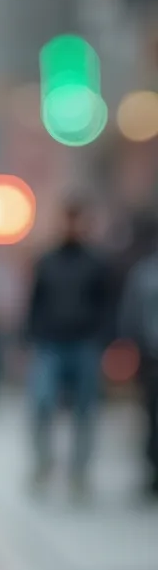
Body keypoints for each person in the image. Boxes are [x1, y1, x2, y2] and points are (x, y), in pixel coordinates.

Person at [24, 201, 113, 496]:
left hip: (85, 344)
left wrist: (103, 337)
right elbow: (34, 303)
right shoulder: (46, 261)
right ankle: (43, 463)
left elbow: (107, 305)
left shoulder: (96, 263)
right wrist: (31, 337)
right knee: (42, 404)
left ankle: (79, 472)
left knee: (84, 411)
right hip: (51, 343)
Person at [117, 213, 158, 498]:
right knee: (152, 416)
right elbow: (131, 315)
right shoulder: (144, 273)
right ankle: (153, 470)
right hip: (151, 356)